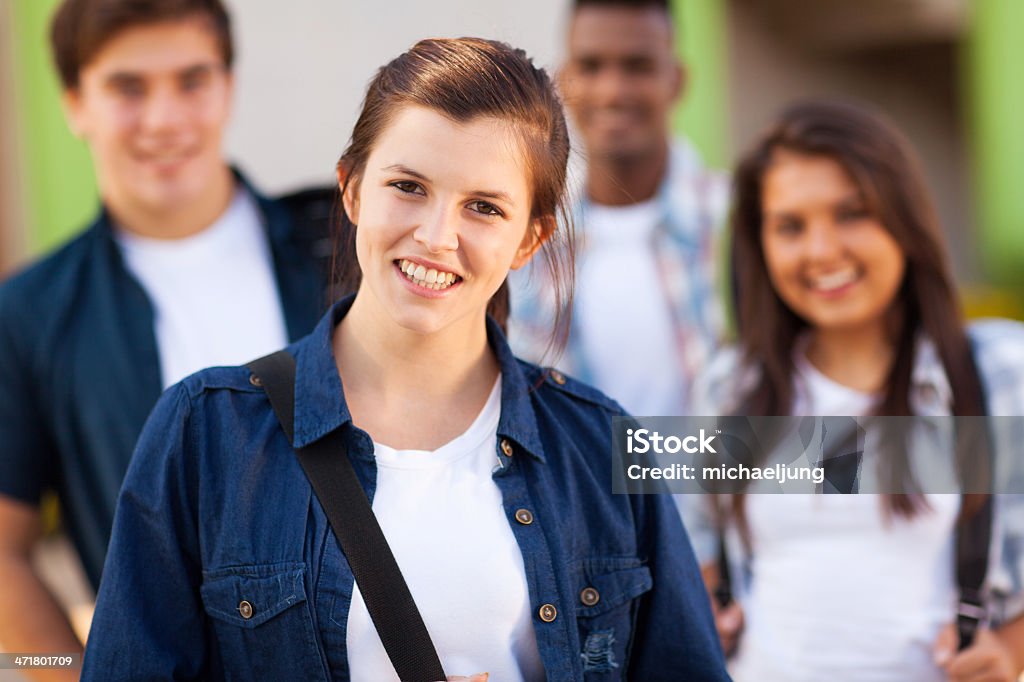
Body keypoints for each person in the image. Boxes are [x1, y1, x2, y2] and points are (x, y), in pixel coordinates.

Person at [80, 37, 729, 680]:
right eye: (409, 186)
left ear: (529, 238)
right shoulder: (204, 431)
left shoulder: (598, 443)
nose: (437, 236)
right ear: (353, 190)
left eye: (483, 206)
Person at [0, 0, 330, 663]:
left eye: (192, 80)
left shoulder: (340, 249)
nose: (164, 118)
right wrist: (71, 674)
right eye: (127, 87)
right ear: (73, 103)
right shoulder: (30, 313)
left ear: (229, 87)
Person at [683, 100, 1024, 681]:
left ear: (904, 220)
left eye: (851, 214)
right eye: (790, 226)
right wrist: (703, 612)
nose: (821, 251)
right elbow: (697, 550)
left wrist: (1011, 652)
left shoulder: (998, 371)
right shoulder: (731, 385)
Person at [509, 0, 728, 417]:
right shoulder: (523, 239)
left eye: (637, 66)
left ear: (677, 80)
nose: (612, 91)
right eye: (592, 67)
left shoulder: (737, 222)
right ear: (562, 80)